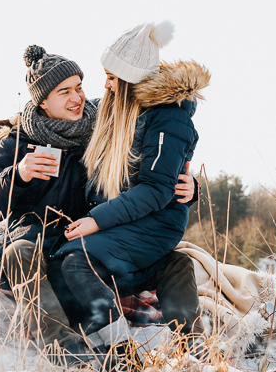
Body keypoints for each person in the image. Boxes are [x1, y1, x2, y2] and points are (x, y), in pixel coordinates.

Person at [0, 45, 196, 366]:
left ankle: (192, 347)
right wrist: (18, 174)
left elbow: (153, 162)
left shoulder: (101, 125)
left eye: (79, 87)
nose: (76, 98)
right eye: (64, 92)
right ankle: (68, 353)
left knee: (177, 262)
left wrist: (186, 187)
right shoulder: (17, 144)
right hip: (44, 259)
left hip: (92, 251)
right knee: (18, 252)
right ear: (42, 101)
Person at [55, 21, 209, 348]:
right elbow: (61, 116)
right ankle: (187, 335)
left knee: (77, 261)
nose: (106, 85)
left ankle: (121, 349)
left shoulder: (169, 118)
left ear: (129, 79)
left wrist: (96, 221)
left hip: (154, 220)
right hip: (127, 219)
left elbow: (156, 188)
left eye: (112, 77)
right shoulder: (115, 109)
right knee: (66, 261)